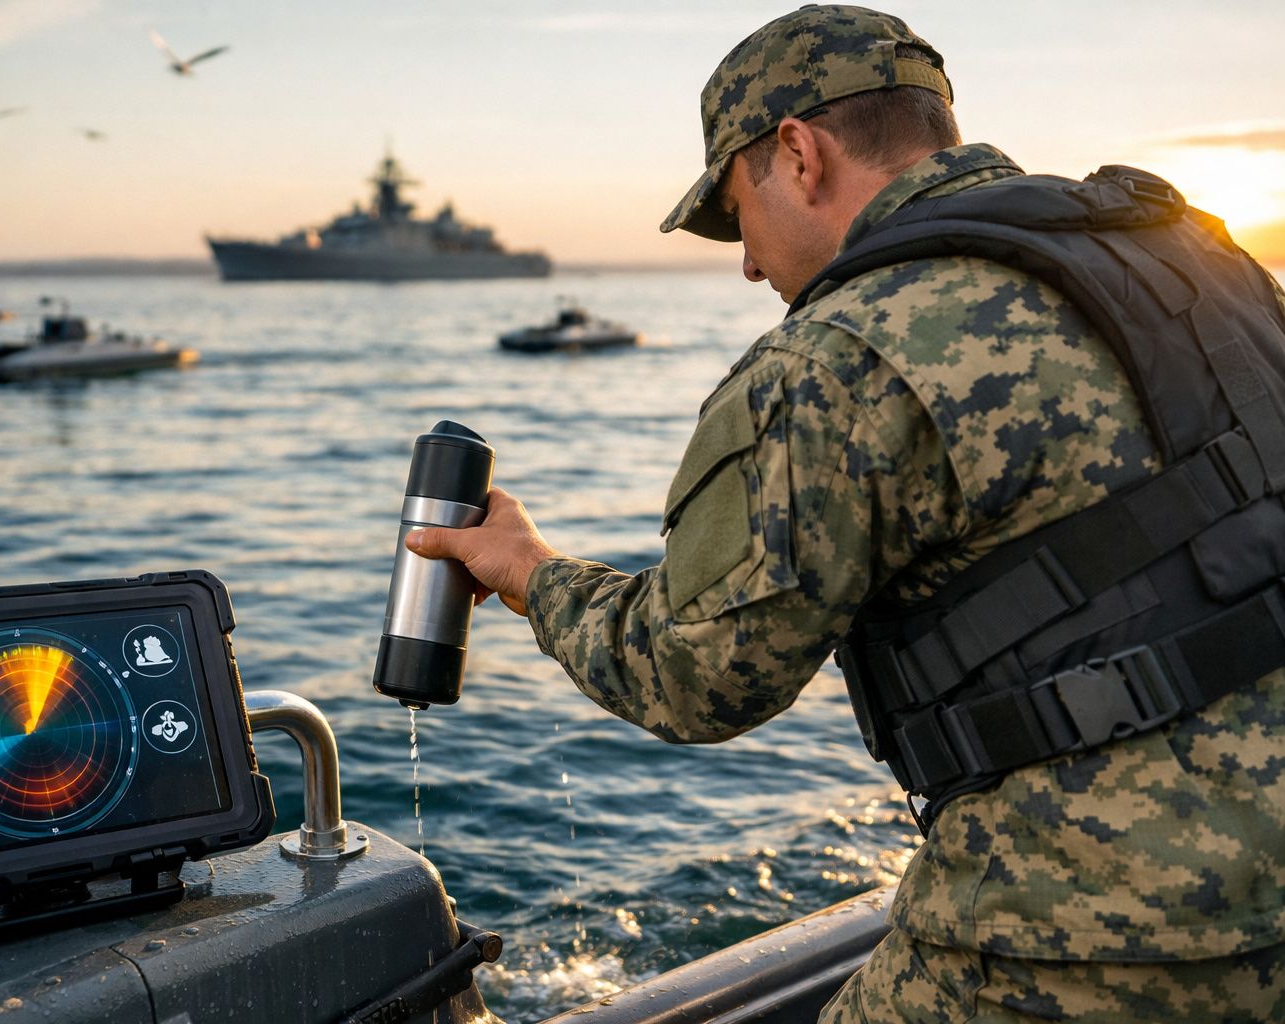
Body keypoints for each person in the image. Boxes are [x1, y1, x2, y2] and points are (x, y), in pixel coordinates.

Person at [408, 5, 1285, 1021]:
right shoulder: (1199, 261)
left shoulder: (836, 356)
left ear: (797, 152)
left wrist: (527, 569)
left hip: (1102, 940)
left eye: (738, 212)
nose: (744, 262)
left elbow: (696, 677)